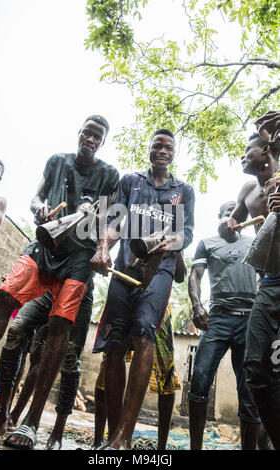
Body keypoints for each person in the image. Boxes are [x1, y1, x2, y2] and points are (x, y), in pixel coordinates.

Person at [0, 115, 119, 449]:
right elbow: (36, 197)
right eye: (87, 132)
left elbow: (107, 218)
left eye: (97, 136)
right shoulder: (56, 161)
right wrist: (39, 207)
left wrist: (102, 250)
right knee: (2, 302)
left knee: (60, 327)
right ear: (79, 133)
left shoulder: (109, 175)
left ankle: (29, 424)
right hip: (44, 247)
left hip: (79, 259)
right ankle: (3, 412)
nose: (91, 138)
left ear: (102, 142)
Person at [90, 128, 195, 449]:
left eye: (168, 147)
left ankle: (124, 436)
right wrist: (103, 247)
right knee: (116, 343)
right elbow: (114, 221)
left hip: (161, 269)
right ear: (149, 150)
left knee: (143, 333)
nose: (162, 151)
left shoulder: (183, 190)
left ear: (174, 153)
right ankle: (113, 437)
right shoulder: (130, 182)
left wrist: (173, 240)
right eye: (157, 146)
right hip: (125, 268)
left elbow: (187, 232)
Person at [218, 111, 280, 449]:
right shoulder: (247, 188)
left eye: (248, 148)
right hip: (268, 282)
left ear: (267, 150)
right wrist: (226, 225)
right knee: (255, 368)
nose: (243, 155)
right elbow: (230, 229)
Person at [0, 284, 93, 450]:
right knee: (16, 332)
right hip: (48, 284)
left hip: (79, 289)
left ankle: (55, 432)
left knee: (70, 357)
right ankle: (2, 414)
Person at [188, 201, 261, 450]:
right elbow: (195, 275)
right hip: (217, 318)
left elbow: (269, 274)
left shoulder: (255, 241)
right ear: (219, 217)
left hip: (249, 320)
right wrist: (197, 305)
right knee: (199, 381)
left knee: (249, 390)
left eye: (237, 211)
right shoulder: (207, 243)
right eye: (227, 211)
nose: (233, 215)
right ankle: (195, 447)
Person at [88, 303, 181, 451]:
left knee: (166, 369)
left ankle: (161, 449)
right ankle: (99, 442)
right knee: (109, 362)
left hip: (158, 304)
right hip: (124, 298)